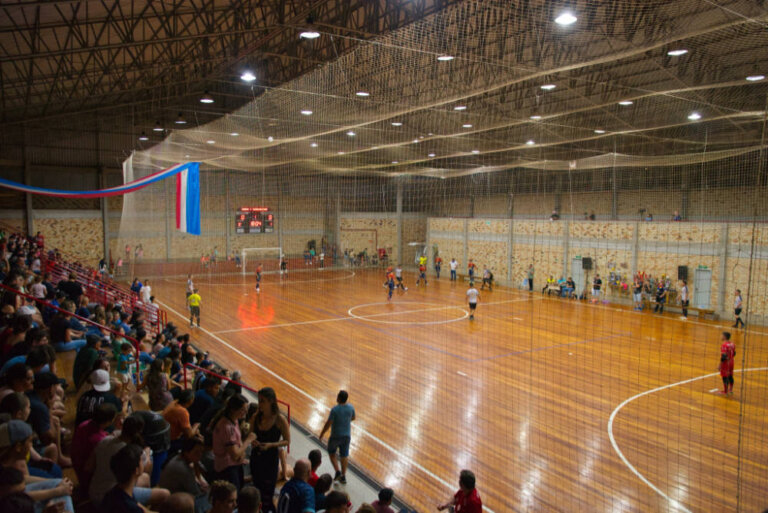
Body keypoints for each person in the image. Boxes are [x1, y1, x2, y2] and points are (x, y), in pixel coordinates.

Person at [249, 387, 290, 513]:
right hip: (256, 458)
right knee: (257, 490)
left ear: (271, 401)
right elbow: (251, 435)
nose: (260, 404)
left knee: (268, 493)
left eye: (263, 401)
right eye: (259, 400)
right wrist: (253, 441)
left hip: (270, 461)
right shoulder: (256, 417)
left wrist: (271, 445)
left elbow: (287, 441)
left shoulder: (280, 419)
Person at [211, 394, 255, 489]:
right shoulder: (227, 428)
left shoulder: (233, 420)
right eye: (243, 409)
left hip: (232, 464)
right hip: (227, 469)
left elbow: (237, 443)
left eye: (246, 409)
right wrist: (248, 440)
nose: (246, 412)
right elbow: (234, 454)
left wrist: (241, 456)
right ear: (233, 409)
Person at [71, 403, 117, 490]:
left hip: (78, 468)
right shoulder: (101, 441)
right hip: (89, 477)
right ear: (108, 421)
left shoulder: (84, 424)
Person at [157, 436, 209, 513]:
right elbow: (195, 493)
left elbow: (202, 470)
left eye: (201, 452)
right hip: (174, 501)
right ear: (187, 452)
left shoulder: (182, 456)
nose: (200, 455)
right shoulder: (182, 469)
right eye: (196, 452)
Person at [100, 444, 152, 513]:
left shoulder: (113, 493)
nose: (144, 462)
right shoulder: (132, 509)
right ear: (136, 470)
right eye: (141, 460)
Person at [319, 390, 355, 484]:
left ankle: (337, 471)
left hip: (335, 436)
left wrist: (322, 433)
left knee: (331, 453)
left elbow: (328, 423)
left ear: (338, 398)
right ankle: (343, 476)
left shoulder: (335, 410)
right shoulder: (351, 407)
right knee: (344, 455)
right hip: (347, 436)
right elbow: (353, 418)